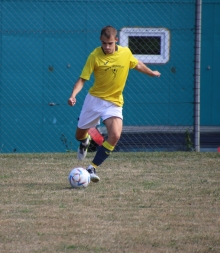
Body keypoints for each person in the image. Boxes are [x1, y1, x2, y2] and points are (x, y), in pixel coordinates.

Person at [67, 25, 161, 183]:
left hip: (114, 102)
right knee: (79, 134)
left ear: (116, 40)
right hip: (94, 100)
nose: (107, 46)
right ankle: (84, 142)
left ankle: (92, 167)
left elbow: (136, 64)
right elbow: (83, 79)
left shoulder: (125, 53)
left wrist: (151, 72)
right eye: (104, 43)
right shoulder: (94, 56)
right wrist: (73, 95)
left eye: (110, 43)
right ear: (100, 41)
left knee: (115, 135)